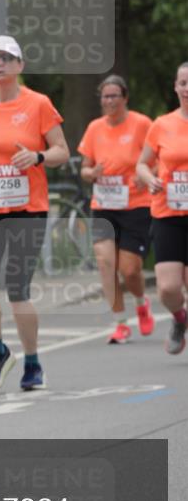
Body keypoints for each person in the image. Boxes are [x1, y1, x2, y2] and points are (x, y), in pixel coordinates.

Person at [0, 35, 69, 392]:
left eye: (8, 58)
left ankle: (33, 363)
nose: (0, 64)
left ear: (20, 65)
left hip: (27, 209)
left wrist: (38, 157)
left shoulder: (38, 104)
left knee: (18, 289)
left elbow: (61, 151)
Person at [77, 75, 154, 344]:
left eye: (114, 96)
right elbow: (85, 168)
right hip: (104, 205)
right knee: (106, 264)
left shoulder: (143, 124)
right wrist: (92, 172)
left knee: (130, 269)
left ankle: (142, 304)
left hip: (136, 205)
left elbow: (158, 160)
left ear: (125, 98)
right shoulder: (95, 128)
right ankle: (121, 323)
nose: (109, 101)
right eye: (105, 97)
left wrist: (143, 175)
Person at [136, 62, 188, 355]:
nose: (187, 88)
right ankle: (180, 318)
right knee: (168, 288)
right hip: (167, 212)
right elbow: (141, 164)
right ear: (176, 87)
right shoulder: (162, 124)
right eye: (183, 83)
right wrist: (149, 179)